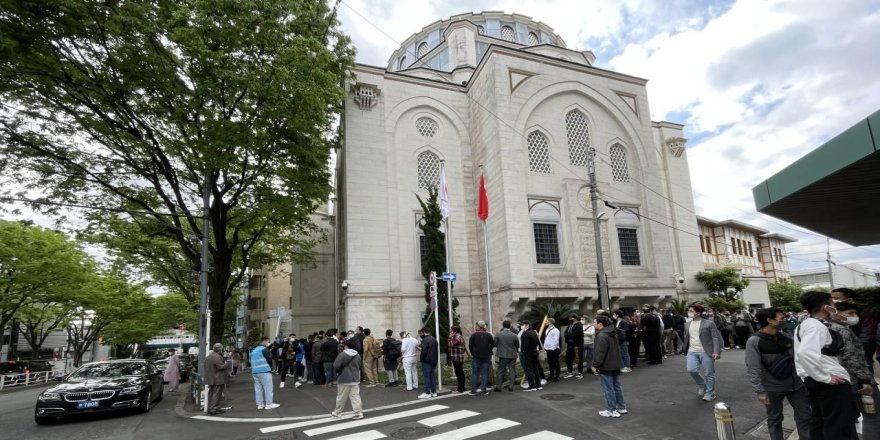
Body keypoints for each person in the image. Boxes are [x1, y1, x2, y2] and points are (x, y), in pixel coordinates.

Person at [794, 291, 859, 439]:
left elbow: (852, 321)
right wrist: (826, 377)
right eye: (832, 304)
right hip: (830, 382)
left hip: (812, 379)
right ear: (826, 307)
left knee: (819, 423)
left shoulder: (804, 324)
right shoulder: (815, 326)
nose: (834, 306)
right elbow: (805, 353)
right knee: (838, 425)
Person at [745, 308, 811, 440]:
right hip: (772, 388)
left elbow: (798, 359)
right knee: (775, 418)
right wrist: (760, 391)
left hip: (796, 385)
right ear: (770, 320)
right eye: (781, 319)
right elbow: (753, 367)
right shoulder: (754, 341)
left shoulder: (786, 337)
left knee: (805, 415)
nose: (784, 321)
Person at [830, 302, 879, 439]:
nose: (855, 316)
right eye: (850, 313)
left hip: (842, 380)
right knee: (872, 417)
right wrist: (865, 381)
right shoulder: (842, 330)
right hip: (858, 381)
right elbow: (852, 357)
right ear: (837, 314)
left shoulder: (828, 328)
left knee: (848, 419)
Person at [683, 303, 724, 402]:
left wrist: (716, 352)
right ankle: (702, 385)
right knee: (691, 370)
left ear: (698, 313)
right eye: (689, 311)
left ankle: (710, 393)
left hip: (706, 352)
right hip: (691, 351)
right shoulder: (687, 324)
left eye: (691, 311)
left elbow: (715, 338)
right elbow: (687, 338)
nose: (689, 312)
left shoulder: (709, 323)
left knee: (709, 373)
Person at [833, 287, 878, 374]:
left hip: (860, 357)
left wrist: (854, 352)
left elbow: (867, 338)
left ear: (849, 300)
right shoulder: (833, 315)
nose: (833, 301)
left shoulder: (865, 315)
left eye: (836, 298)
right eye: (832, 298)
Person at [593, 315, 626, 418]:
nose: (593, 324)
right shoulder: (613, 332)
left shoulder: (602, 335)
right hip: (616, 363)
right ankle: (621, 407)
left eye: (594, 322)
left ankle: (611, 410)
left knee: (608, 388)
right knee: (616, 386)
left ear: (600, 324)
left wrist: (595, 365)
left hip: (606, 365)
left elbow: (600, 352)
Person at [331, 338, 364, 420]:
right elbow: (359, 365)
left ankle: (337, 412)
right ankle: (358, 412)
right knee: (355, 396)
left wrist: (337, 372)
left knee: (341, 396)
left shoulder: (342, 354)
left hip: (344, 378)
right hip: (355, 378)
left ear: (346, 346)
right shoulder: (357, 355)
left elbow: (335, 366)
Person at [251, 338, 280, 410]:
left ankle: (260, 404)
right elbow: (270, 359)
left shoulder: (253, 350)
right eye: (268, 341)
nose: (269, 343)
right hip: (264, 371)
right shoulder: (264, 349)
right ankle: (269, 404)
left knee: (258, 388)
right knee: (268, 387)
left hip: (255, 371)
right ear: (265, 341)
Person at [468, 321, 494, 395]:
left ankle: (473, 390)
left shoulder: (473, 335)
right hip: (486, 356)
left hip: (476, 356)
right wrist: (488, 350)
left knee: (475, 373)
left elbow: (470, 345)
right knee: (485, 373)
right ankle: (484, 389)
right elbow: (492, 344)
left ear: (478, 327)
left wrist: (472, 353)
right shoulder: (488, 335)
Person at [203, 343, 229, 415]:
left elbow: (205, 365)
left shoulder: (209, 356)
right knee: (216, 394)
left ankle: (210, 407)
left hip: (210, 378)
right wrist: (226, 364)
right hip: (218, 378)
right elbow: (220, 367)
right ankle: (214, 409)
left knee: (211, 393)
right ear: (220, 349)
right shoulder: (217, 357)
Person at [493, 320, 520, 392]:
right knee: (512, 370)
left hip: (503, 355)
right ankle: (511, 386)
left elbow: (495, 344)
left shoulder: (498, 334)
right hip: (512, 355)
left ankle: (498, 387)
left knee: (500, 370)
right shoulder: (514, 335)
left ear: (503, 326)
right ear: (510, 326)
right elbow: (517, 345)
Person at [520, 320, 543, 391]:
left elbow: (525, 345)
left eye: (523, 325)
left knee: (529, 370)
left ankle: (532, 386)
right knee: (535, 368)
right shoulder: (534, 332)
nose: (522, 326)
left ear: (527, 325)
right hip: (535, 352)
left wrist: (523, 350)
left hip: (528, 353)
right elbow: (538, 342)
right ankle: (538, 385)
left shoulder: (525, 333)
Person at [418, 328, 438, 399]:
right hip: (434, 360)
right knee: (432, 376)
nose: (420, 335)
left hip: (427, 361)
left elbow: (424, 351)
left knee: (426, 377)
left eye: (421, 333)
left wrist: (421, 359)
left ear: (424, 332)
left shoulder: (425, 340)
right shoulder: (434, 339)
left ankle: (427, 392)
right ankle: (434, 392)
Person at [563, 314, 585, 379]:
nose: (569, 319)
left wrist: (569, 335)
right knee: (568, 358)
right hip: (570, 344)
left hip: (577, 345)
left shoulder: (579, 325)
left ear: (574, 318)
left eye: (571, 318)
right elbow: (565, 333)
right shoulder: (570, 325)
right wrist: (568, 336)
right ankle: (569, 371)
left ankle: (580, 372)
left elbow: (575, 333)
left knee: (578, 358)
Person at [447, 325, 467, 393]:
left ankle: (460, 388)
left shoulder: (457, 337)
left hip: (457, 357)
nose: (450, 331)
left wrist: (449, 338)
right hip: (457, 356)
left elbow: (450, 344)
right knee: (460, 372)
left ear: (454, 331)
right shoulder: (458, 336)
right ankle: (461, 387)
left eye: (451, 330)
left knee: (459, 372)